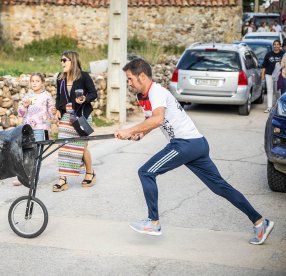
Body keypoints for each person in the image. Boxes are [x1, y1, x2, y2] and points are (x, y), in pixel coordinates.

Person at [114, 57, 274, 245]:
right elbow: (153, 121)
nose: (129, 83)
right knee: (220, 186)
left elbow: (158, 119)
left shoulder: (156, 91)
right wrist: (140, 133)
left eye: (130, 79)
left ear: (142, 76)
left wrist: (129, 130)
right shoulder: (145, 96)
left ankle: (153, 222)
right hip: (197, 144)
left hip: (185, 144)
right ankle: (260, 222)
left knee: (146, 172)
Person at [53, 50, 98, 192]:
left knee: (80, 146)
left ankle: (90, 173)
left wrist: (85, 99)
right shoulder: (60, 79)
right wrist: (58, 110)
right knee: (63, 145)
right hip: (67, 116)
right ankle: (63, 179)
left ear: (73, 61)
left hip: (81, 116)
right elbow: (59, 98)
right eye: (61, 60)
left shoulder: (83, 76)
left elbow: (93, 93)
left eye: (64, 60)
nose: (62, 63)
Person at [13, 73, 55, 186]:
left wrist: (54, 111)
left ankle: (33, 178)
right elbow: (21, 113)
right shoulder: (28, 95)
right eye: (32, 81)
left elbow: (52, 112)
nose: (34, 83)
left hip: (41, 129)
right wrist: (24, 106)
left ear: (42, 83)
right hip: (27, 129)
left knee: (37, 155)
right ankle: (23, 177)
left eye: (37, 81)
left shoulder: (47, 95)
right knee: (26, 153)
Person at [262, 40, 284, 112]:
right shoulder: (268, 54)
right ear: (273, 46)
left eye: (278, 44)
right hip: (269, 75)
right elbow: (264, 66)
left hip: (279, 75)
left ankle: (278, 107)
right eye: (275, 44)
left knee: (278, 91)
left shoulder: (283, 54)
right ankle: (269, 107)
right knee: (269, 90)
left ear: (280, 46)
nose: (276, 46)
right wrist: (262, 76)